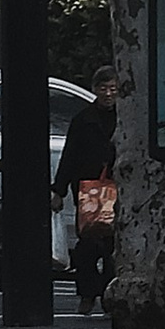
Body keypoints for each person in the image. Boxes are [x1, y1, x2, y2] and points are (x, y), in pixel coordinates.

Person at [56, 68, 119, 316]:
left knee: (115, 246)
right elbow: (69, 156)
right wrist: (58, 190)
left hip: (118, 189)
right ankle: (88, 293)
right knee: (88, 245)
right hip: (88, 192)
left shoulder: (126, 118)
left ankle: (110, 295)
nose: (108, 94)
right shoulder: (83, 120)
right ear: (95, 89)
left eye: (113, 89)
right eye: (103, 88)